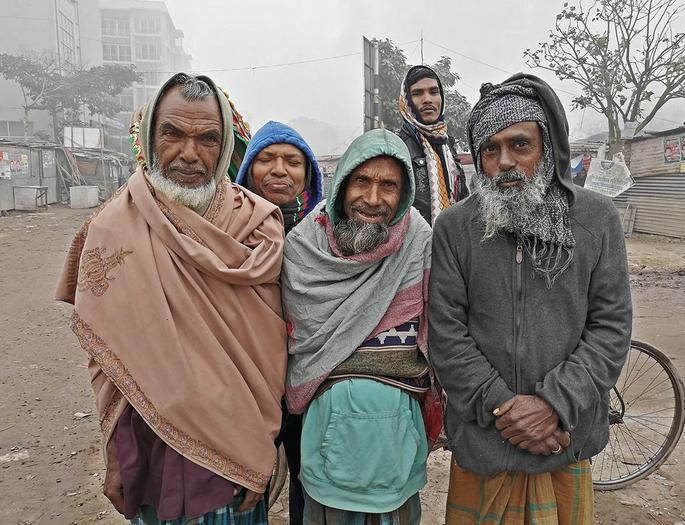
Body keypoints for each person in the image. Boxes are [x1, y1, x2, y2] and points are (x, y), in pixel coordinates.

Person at [56, 73, 287, 525]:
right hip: (152, 440)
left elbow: (273, 352)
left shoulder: (258, 226)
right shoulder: (111, 229)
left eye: (207, 139)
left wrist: (268, 443)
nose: (188, 153)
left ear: (224, 148)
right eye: (173, 134)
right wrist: (114, 451)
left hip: (242, 441)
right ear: (149, 137)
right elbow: (107, 354)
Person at [429, 74, 632, 524]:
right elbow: (446, 332)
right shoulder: (454, 228)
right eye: (490, 149)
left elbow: (610, 327)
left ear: (547, 147)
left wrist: (553, 405)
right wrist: (504, 408)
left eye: (520, 145)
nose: (504, 162)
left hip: (564, 435)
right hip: (485, 439)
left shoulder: (597, 220)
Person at [282, 129, 439, 524]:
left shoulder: (418, 240)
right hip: (326, 438)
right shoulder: (304, 248)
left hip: (397, 439)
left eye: (388, 185)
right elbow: (294, 344)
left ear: (404, 194)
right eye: (362, 181)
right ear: (341, 185)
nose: (372, 199)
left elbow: (442, 328)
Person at [235, 121, 323, 524]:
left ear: (308, 174)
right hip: (247, 380)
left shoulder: (326, 233)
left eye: (292, 161)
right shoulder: (224, 233)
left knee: (309, 476)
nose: (279, 170)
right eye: (266, 159)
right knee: (248, 481)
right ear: (248, 168)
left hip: (309, 376)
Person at [397, 65, 468, 225]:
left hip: (452, 242)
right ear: (406, 101)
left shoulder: (447, 144)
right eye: (417, 93)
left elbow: (462, 198)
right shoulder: (397, 147)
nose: (427, 99)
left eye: (434, 92)